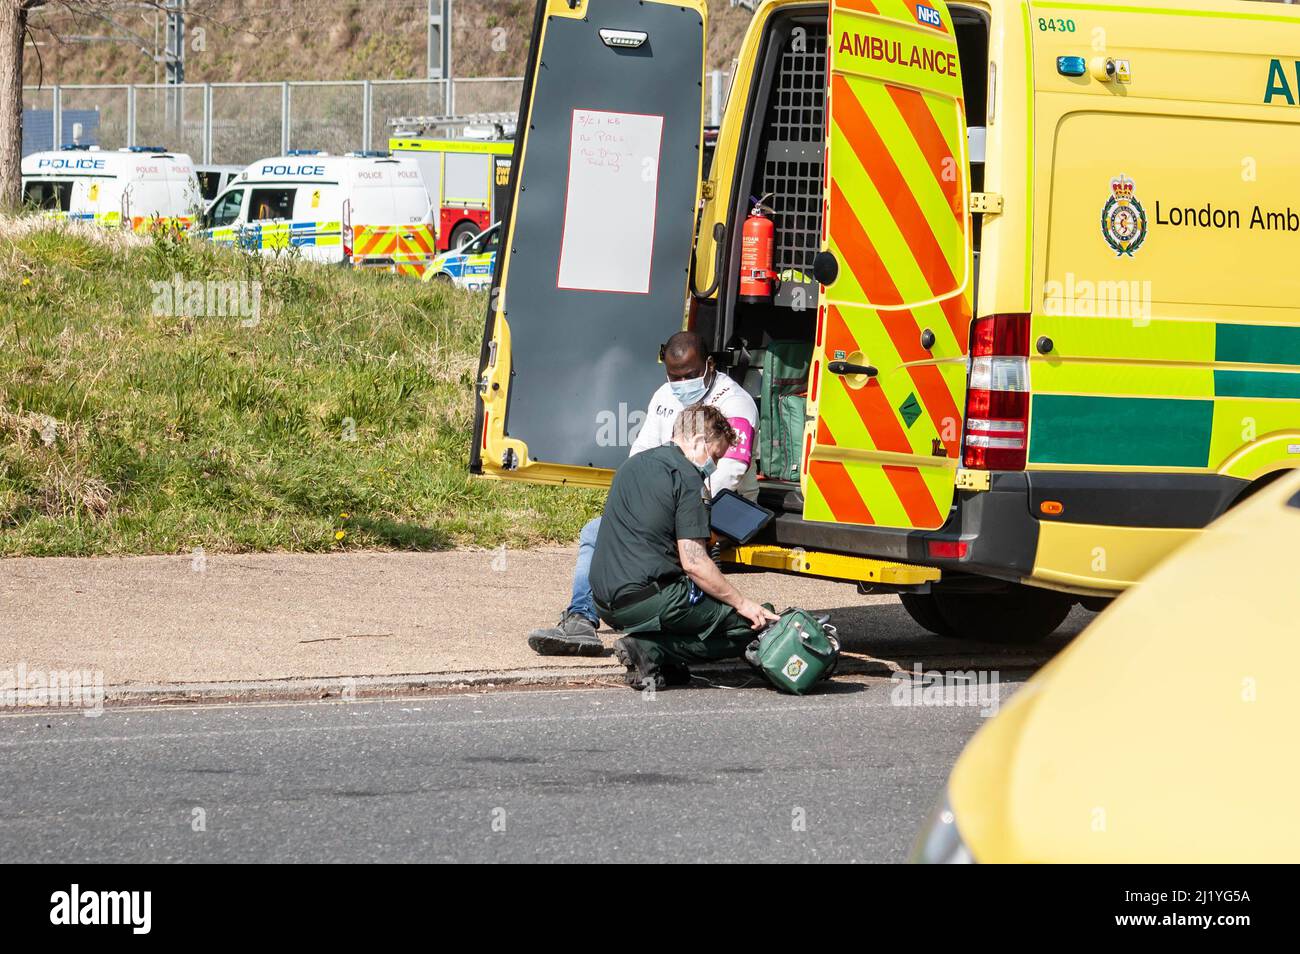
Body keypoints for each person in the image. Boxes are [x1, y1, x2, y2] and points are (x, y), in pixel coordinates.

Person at [526, 331, 758, 656]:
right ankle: (580, 618)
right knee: (597, 530)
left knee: (641, 542)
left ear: (709, 365)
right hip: (672, 500)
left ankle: (658, 628)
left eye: (690, 375)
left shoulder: (735, 403)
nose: (681, 383)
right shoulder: (665, 396)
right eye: (674, 375)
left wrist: (686, 508)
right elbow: (642, 451)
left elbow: (731, 470)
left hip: (722, 506)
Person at [590, 404, 779, 690]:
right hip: (648, 599)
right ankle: (651, 650)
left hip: (605, 602)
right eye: (715, 455)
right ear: (699, 442)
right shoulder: (689, 479)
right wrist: (742, 603)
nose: (713, 465)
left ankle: (660, 656)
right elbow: (693, 563)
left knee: (714, 609)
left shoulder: (633, 464)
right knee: (754, 622)